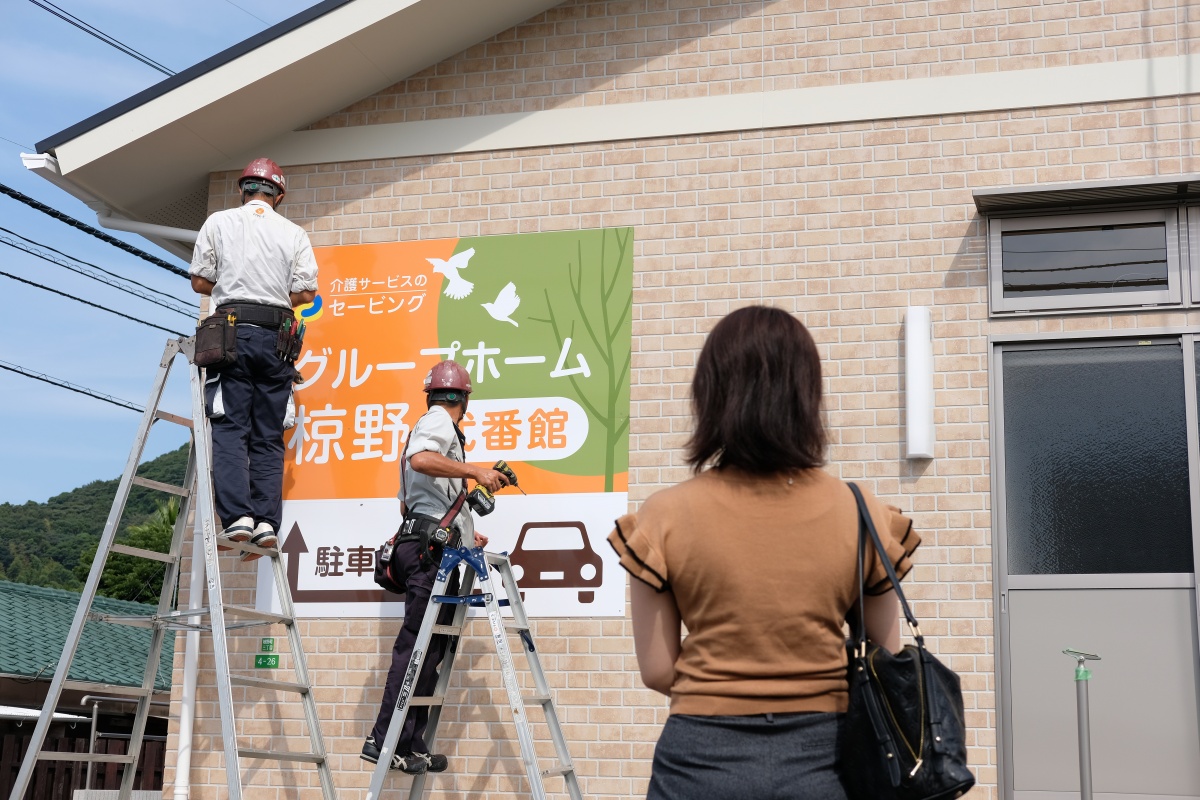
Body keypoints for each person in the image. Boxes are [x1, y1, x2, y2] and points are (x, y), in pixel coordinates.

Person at [607, 305, 921, 800]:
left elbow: (658, 671)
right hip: (831, 760)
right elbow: (887, 655)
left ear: (709, 394)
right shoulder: (863, 512)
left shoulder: (663, 516)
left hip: (699, 762)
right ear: (806, 395)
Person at [362, 360, 509, 775]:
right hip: (429, 554)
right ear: (462, 399)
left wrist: (465, 531)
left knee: (431, 650)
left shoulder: (435, 426)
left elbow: (409, 502)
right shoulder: (439, 422)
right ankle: (382, 739)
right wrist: (476, 471)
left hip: (427, 544)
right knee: (415, 649)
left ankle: (409, 744)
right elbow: (421, 460)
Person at [189, 157, 318, 560]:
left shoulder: (219, 222)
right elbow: (305, 294)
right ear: (278, 194)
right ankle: (266, 524)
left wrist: (232, 281)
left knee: (229, 428)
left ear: (243, 190)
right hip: (278, 339)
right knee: (267, 436)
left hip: (232, 333)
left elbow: (200, 281)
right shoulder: (294, 233)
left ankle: (238, 518)